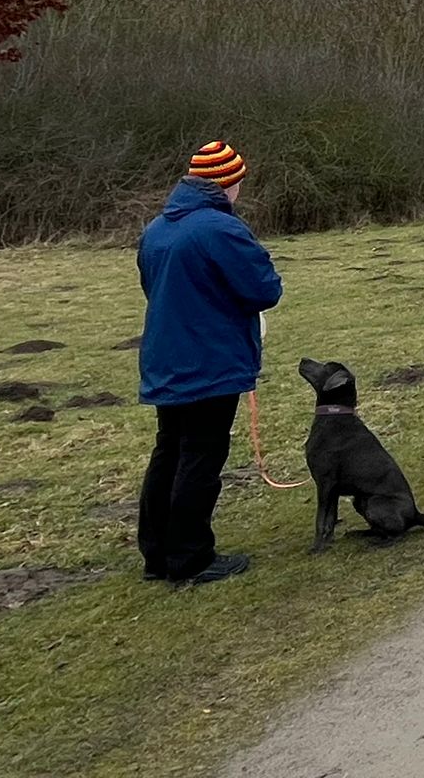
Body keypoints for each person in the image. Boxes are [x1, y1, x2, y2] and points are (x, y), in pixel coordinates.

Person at [136, 140, 284, 585]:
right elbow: (264, 289)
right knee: (201, 456)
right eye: (238, 182)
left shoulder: (156, 229)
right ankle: (190, 556)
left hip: (165, 356)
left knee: (169, 452)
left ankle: (157, 553)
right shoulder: (220, 230)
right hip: (210, 360)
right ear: (227, 184)